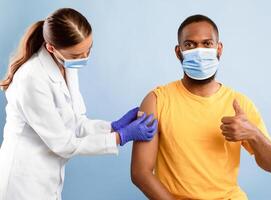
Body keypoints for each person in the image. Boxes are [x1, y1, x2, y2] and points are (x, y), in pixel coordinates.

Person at [0, 8, 157, 200]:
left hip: (48, 178)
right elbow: (63, 143)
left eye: (88, 50)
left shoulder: (67, 64)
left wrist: (113, 127)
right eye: (77, 55)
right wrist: (120, 137)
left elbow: (76, 123)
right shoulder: (31, 79)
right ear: (51, 48)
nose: (84, 59)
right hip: (22, 181)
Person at [131, 14, 271, 200]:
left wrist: (253, 133)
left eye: (207, 43)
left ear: (219, 49)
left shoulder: (239, 103)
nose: (199, 51)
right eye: (190, 45)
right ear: (178, 52)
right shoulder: (156, 100)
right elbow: (140, 172)